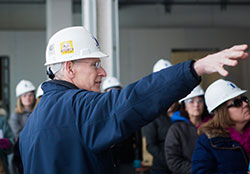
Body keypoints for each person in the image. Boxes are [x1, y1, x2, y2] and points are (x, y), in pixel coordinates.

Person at [18, 26, 248, 174]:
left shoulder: (32, 126)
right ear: (69, 68)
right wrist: (196, 68)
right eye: (94, 64)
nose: (103, 73)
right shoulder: (80, 108)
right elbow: (135, 99)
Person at [192, 79, 250, 173]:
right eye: (237, 103)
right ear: (222, 112)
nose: (245, 104)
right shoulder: (207, 142)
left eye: (244, 99)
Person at [164, 85, 209, 174]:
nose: (196, 105)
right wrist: (198, 170)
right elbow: (173, 160)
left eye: (199, 100)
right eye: (191, 101)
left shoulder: (212, 125)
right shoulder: (176, 129)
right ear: (184, 106)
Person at [102, 76, 143, 174]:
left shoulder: (130, 112)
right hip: (108, 160)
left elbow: (137, 138)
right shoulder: (100, 114)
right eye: (110, 92)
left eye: (116, 91)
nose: (113, 95)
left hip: (126, 159)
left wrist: (138, 158)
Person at [143, 59, 174, 174]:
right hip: (162, 168)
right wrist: (171, 161)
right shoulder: (152, 111)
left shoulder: (183, 107)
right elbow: (151, 145)